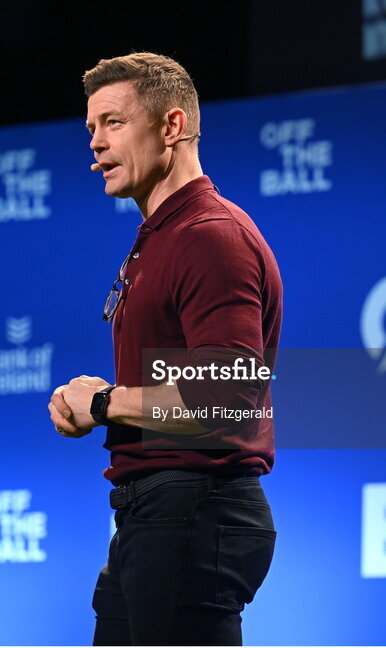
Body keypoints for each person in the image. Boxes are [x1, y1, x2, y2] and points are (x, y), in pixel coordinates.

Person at [47, 52, 282, 646]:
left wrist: (104, 404)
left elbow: (227, 396)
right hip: (154, 515)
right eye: (91, 128)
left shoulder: (210, 238)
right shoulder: (162, 238)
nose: (96, 143)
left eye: (114, 123)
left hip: (194, 512)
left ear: (172, 127)